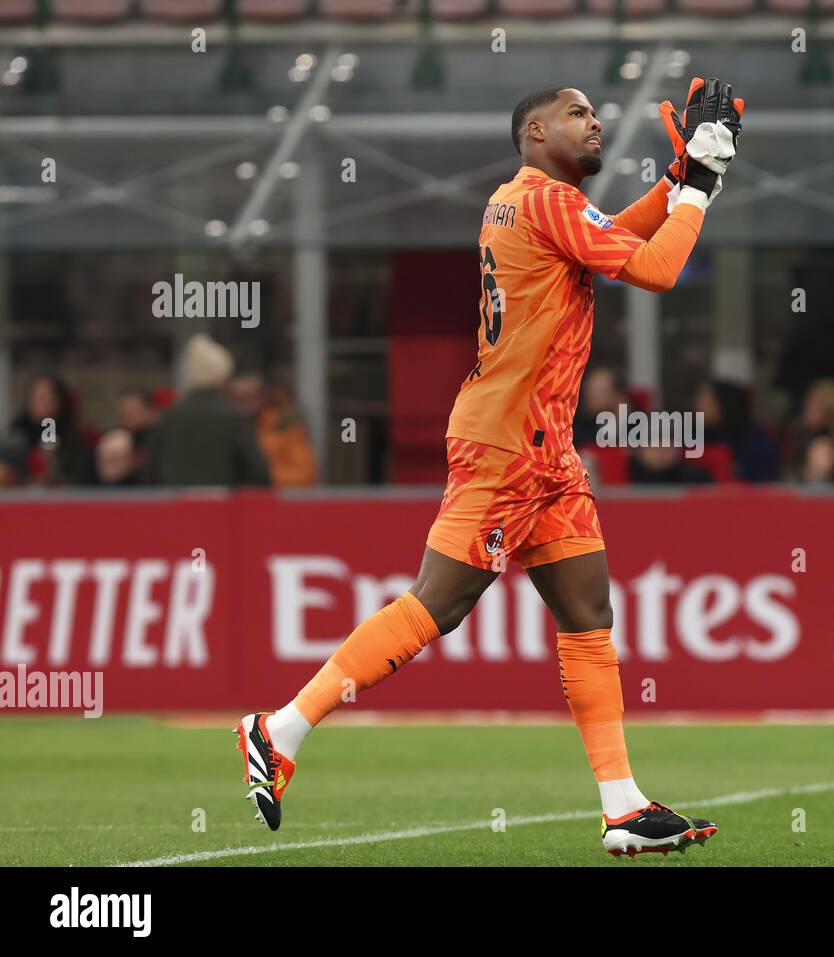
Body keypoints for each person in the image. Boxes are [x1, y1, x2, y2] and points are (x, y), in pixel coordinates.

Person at [234, 79, 743, 857]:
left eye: (593, 110)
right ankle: (278, 728)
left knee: (587, 611)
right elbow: (656, 270)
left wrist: (676, 181)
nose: (595, 120)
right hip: (509, 443)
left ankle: (622, 805)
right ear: (535, 132)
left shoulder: (534, 201)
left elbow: (622, 240)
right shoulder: (546, 201)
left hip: (543, 446)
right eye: (577, 113)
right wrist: (702, 185)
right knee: (439, 603)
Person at [143, 334, 271, 487]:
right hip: (222, 507)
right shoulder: (233, 418)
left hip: (176, 507)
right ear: (223, 376)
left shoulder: (169, 417)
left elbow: (150, 472)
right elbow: (258, 472)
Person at [9, 373, 95, 486]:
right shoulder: (14, 439)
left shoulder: (77, 438)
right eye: (36, 396)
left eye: (46, 396)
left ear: (59, 400)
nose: (41, 402)